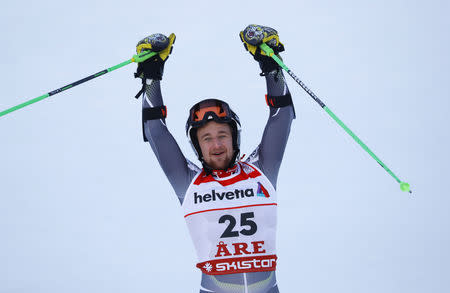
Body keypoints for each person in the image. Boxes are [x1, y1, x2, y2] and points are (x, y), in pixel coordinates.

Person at [134, 24, 295, 293]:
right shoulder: (188, 183)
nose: (217, 144)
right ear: (197, 145)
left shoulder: (262, 170)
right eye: (206, 138)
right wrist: (151, 77)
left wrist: (271, 65)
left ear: (235, 138)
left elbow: (282, 114)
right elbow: (155, 130)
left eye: (222, 134)